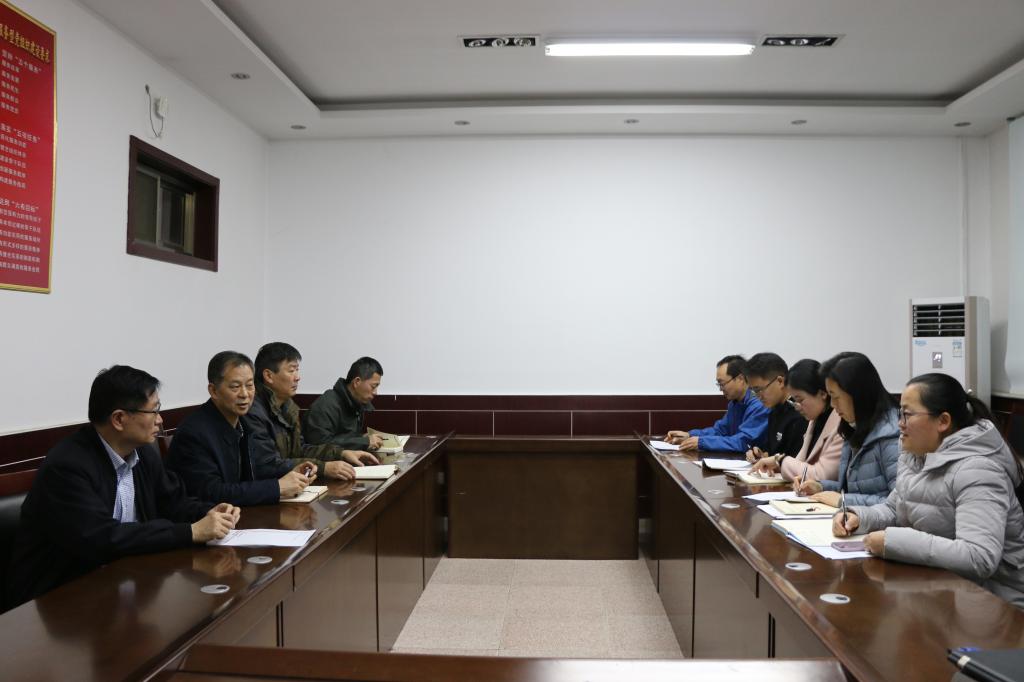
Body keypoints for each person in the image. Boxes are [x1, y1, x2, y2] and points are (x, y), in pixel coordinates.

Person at [3, 366, 239, 611]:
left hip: (121, 581)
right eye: (154, 410)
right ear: (118, 419)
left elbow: (173, 502)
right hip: (56, 601)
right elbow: (103, 538)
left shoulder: (143, 452)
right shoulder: (67, 467)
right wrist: (190, 532)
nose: (160, 419)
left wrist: (210, 512)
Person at [834, 373, 1024, 608]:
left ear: (943, 421)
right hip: (941, 587)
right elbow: (894, 508)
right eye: (900, 413)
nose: (899, 423)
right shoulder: (916, 455)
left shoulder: (978, 470)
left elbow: (979, 557)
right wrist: (859, 518)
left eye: (907, 414)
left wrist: (893, 542)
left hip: (996, 602)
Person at [166, 351, 315, 506]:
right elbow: (211, 492)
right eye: (235, 387)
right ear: (213, 391)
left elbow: (256, 470)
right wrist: (277, 488)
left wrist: (290, 474)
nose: (245, 394)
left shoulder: (246, 421)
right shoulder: (195, 433)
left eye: (250, 385)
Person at [246, 342, 379, 482]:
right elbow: (267, 465)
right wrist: (323, 468)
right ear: (268, 376)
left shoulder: (288, 407)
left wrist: (342, 453)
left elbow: (300, 450)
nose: (297, 377)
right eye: (291, 371)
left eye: (297, 370)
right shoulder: (253, 412)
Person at [795, 352, 899, 506]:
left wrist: (843, 500)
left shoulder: (893, 435)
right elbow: (853, 489)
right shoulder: (853, 426)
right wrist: (821, 486)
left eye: (836, 397)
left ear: (858, 394)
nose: (832, 404)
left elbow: (898, 504)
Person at [749, 358, 843, 483]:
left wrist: (780, 461)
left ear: (822, 393)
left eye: (800, 400)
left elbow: (821, 476)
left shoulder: (841, 425)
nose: (797, 406)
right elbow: (801, 463)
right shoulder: (814, 420)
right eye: (794, 400)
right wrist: (776, 463)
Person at [666, 355, 768, 452]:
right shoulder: (734, 403)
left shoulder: (760, 404)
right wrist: (689, 435)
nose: (720, 389)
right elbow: (720, 431)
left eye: (722, 384)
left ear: (740, 379)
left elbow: (743, 442)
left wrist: (701, 442)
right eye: (719, 384)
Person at [305, 356, 385, 451]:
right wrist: (363, 442)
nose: (376, 392)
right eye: (373, 386)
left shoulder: (357, 402)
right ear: (357, 382)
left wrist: (361, 438)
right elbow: (319, 445)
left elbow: (343, 437)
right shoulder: (326, 405)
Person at [741, 353, 805, 461]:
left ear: (780, 381)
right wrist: (759, 453)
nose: (757, 396)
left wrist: (771, 460)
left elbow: (794, 460)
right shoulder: (774, 410)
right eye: (753, 391)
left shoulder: (800, 413)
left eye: (759, 389)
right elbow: (771, 451)